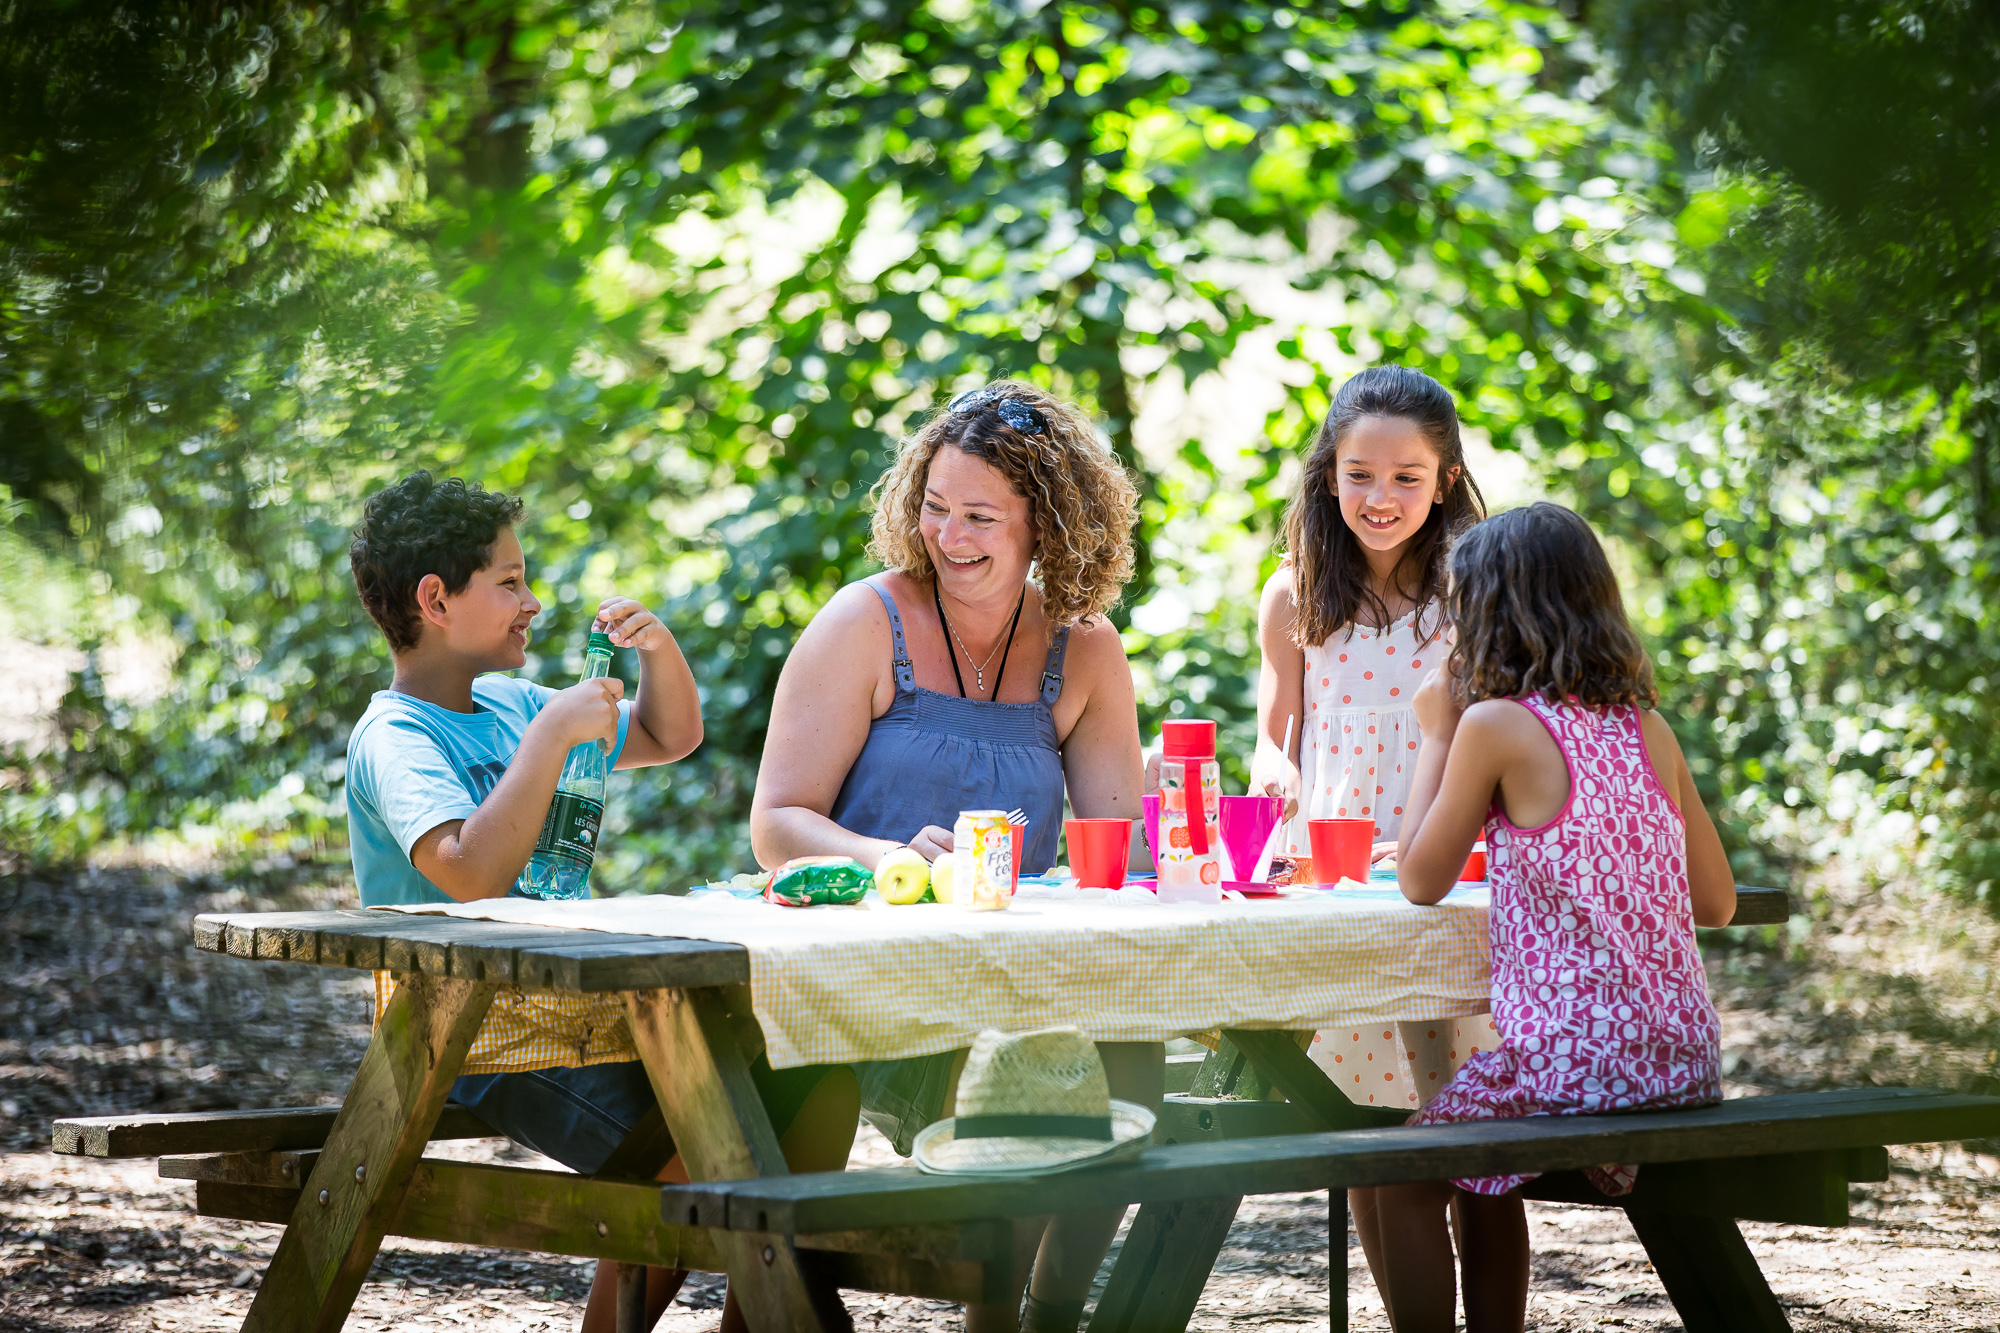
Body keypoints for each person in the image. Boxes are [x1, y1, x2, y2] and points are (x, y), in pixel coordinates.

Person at [344, 471, 859, 1333]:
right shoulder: (396, 738)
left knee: (817, 1083)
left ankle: (759, 1319)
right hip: (476, 1028)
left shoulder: (512, 700)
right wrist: (549, 737)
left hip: (588, 1002)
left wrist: (658, 651)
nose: (532, 600)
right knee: (697, 1144)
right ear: (434, 599)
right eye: (508, 581)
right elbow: (466, 871)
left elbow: (669, 735)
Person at [751, 381, 1156, 1333]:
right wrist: (895, 855)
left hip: (1018, 970)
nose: (949, 534)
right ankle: (995, 1310)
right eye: (934, 507)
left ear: (1048, 527)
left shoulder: (1085, 649)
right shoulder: (865, 621)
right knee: (1022, 1071)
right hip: (858, 974)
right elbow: (777, 823)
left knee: (1130, 1060)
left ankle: (1041, 1306)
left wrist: (1168, 836)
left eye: (980, 515)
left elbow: (1116, 850)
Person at [1379, 502, 1737, 1332]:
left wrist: (1435, 732)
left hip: (1578, 1070)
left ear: (1492, 612)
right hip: (1682, 1062)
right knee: (1460, 1160)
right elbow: (1715, 902)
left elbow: (1420, 879)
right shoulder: (1646, 726)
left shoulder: (1495, 725)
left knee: (1395, 1172)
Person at [1245, 365, 1491, 1289]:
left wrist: (1435, 838)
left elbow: (1497, 741)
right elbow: (1279, 739)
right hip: (1344, 888)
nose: (1379, 498)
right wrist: (1272, 786)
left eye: (1406, 477)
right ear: (1328, 473)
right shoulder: (1297, 595)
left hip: (1448, 882)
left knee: (1478, 1162)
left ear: (1447, 477)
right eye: (1358, 474)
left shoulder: (1473, 594)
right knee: (1375, 1146)